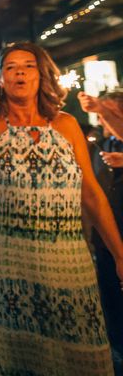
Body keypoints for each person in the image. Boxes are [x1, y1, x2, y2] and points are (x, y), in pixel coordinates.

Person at [0, 16, 123, 375]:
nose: (20, 73)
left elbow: (92, 194)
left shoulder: (66, 125)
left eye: (29, 67)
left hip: (67, 267)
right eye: (11, 67)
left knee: (75, 358)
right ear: (0, 79)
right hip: (6, 269)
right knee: (14, 361)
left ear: (41, 75)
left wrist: (120, 253)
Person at [84, 94, 123, 374]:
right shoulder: (102, 143)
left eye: (110, 111)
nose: (102, 117)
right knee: (109, 296)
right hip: (106, 236)